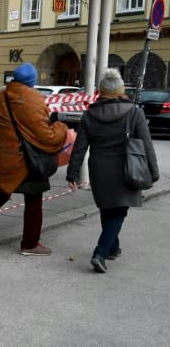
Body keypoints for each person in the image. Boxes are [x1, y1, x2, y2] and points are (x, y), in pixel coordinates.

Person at [0, 63, 68, 255]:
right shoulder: (33, 99)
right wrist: (60, 127)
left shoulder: (1, 96)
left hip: (3, 159)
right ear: (32, 81)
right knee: (34, 199)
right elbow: (46, 136)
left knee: (0, 193)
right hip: (25, 161)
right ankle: (30, 244)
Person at [66, 69, 159, 273]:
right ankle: (100, 253)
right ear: (120, 91)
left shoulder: (90, 114)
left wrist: (72, 173)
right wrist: (153, 172)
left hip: (99, 170)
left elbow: (80, 147)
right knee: (118, 212)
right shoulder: (135, 112)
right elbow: (146, 144)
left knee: (108, 208)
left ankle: (112, 248)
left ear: (101, 92)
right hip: (126, 169)